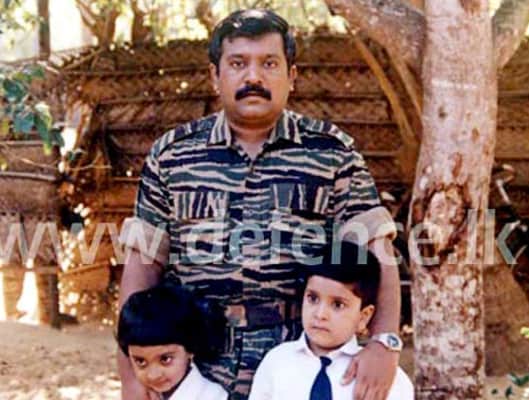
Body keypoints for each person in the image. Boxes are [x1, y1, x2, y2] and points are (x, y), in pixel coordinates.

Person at [119, 8, 402, 400]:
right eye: (238, 64)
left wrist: (385, 343)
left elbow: (377, 253)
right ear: (215, 76)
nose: (253, 77)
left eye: (269, 63)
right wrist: (131, 378)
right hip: (195, 369)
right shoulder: (172, 156)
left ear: (292, 76)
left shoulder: (331, 154)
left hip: (297, 364)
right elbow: (142, 268)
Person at [248, 241, 413, 400]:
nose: (320, 314)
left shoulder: (382, 377)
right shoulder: (277, 362)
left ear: (363, 317)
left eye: (338, 305)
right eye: (313, 298)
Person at [117, 282, 228, 400]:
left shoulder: (212, 396)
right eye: (140, 362)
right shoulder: (141, 396)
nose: (153, 375)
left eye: (165, 359)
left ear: (190, 349)